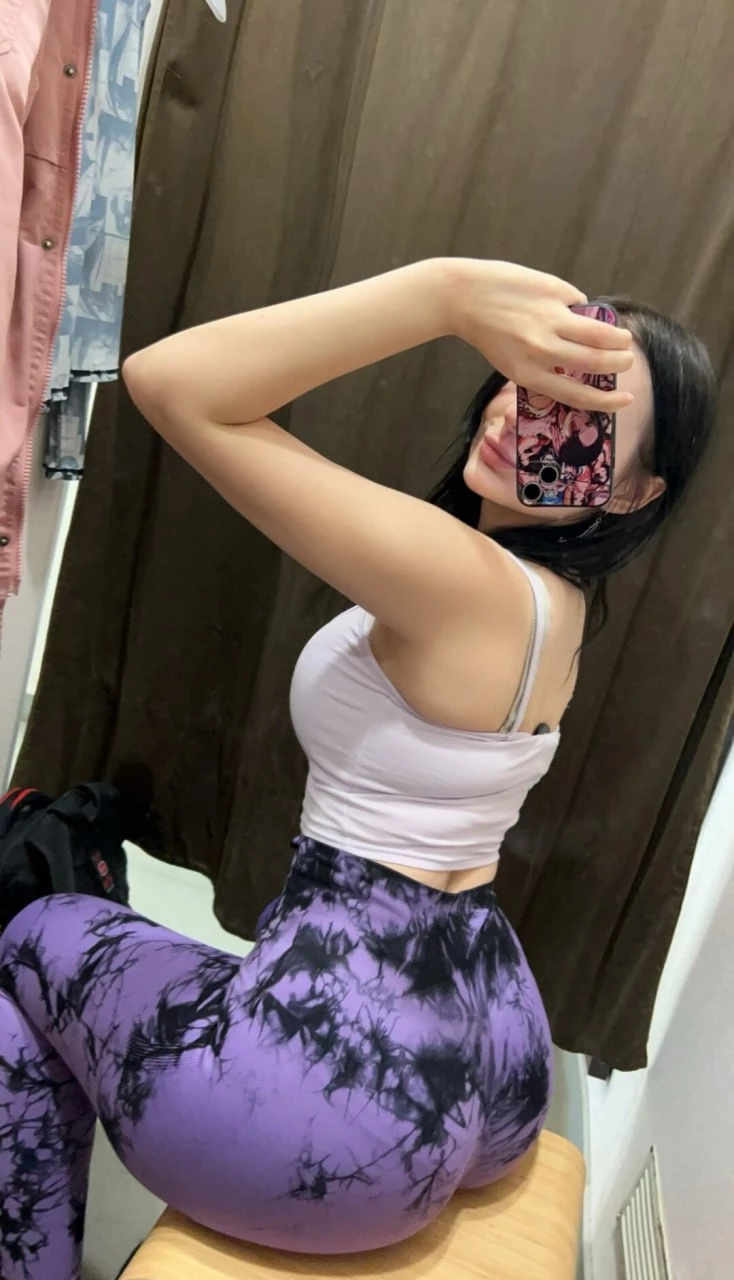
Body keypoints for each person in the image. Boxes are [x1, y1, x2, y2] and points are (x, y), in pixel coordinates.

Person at [0, 260, 715, 1278]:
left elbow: (171, 381)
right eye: (532, 375)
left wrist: (444, 294)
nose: (523, 414)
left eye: (583, 409)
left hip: (353, 1113)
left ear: (635, 490)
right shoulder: (555, 603)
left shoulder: (462, 579)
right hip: (497, 1051)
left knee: (30, 934)